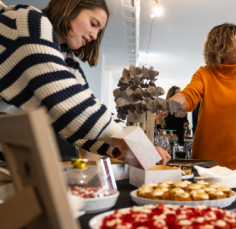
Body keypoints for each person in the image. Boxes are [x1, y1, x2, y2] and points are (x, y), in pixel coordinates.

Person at [0, 0, 170, 163]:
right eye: (93, 23)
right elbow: (69, 106)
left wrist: (121, 148)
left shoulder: (66, 59)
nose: (95, 36)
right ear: (71, 6)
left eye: (99, 31)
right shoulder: (28, 21)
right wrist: (134, 144)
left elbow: (83, 114)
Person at [168, 23, 236, 192]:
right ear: (221, 48)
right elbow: (190, 95)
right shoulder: (205, 73)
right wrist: (176, 101)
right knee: (208, 210)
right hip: (209, 161)